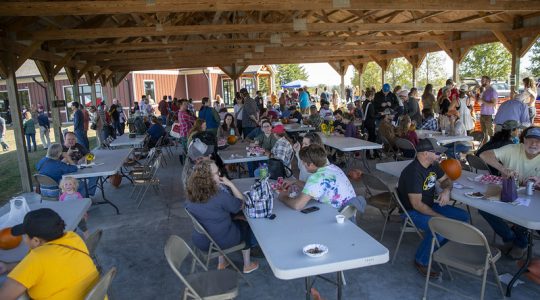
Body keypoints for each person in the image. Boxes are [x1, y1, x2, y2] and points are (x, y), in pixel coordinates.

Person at [397, 139, 469, 277]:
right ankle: (421, 260)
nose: (439, 155)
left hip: (429, 205)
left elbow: (447, 180)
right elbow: (417, 205)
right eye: (436, 152)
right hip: (412, 212)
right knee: (441, 228)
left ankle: (436, 250)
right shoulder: (413, 172)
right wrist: (439, 217)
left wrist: (446, 190)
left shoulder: (433, 165)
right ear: (425, 154)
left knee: (463, 217)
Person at [0, 209, 99, 299]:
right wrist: (8, 267)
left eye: (25, 236)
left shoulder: (36, 259)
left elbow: (4, 296)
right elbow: (40, 267)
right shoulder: (73, 237)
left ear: (36, 241)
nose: (24, 240)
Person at [185, 160, 259, 273]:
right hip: (220, 241)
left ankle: (222, 263)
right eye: (217, 173)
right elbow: (242, 203)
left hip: (201, 240)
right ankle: (247, 265)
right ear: (207, 178)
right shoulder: (219, 195)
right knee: (245, 225)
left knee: (228, 221)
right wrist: (230, 184)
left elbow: (211, 213)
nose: (219, 175)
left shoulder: (190, 194)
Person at [478, 127, 540, 259]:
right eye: (530, 140)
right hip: (508, 191)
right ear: (523, 140)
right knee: (483, 208)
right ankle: (509, 237)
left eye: (538, 141)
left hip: (534, 198)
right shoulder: (512, 149)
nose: (534, 144)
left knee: (524, 214)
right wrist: (503, 169)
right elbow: (484, 155)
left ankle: (521, 244)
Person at [279, 144, 356, 210]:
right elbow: (316, 186)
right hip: (349, 212)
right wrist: (294, 181)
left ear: (311, 164)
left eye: (304, 163)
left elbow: (297, 205)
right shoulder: (334, 168)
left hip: (336, 216)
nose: (303, 165)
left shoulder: (316, 178)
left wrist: (283, 197)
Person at [478, 75, 498, 140]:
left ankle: (492, 148)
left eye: (483, 81)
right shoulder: (484, 91)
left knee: (491, 134)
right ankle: (484, 148)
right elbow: (481, 102)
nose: (481, 82)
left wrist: (482, 101)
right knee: (483, 135)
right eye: (481, 80)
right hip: (482, 114)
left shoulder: (492, 91)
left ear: (488, 81)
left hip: (489, 115)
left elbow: (493, 104)